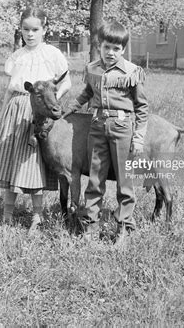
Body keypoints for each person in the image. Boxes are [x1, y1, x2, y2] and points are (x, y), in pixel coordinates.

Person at [64, 20, 148, 242]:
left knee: (124, 180)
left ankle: (124, 228)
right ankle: (90, 226)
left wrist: (138, 138)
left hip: (122, 128)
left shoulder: (132, 72)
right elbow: (88, 92)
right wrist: (74, 106)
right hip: (97, 126)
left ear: (123, 49)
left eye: (116, 49)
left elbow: (142, 107)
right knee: (95, 178)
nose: (111, 53)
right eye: (106, 47)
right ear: (99, 45)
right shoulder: (92, 68)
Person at [0, 8, 71, 231]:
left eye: (35, 29)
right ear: (21, 30)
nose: (30, 34)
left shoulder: (52, 54)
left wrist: (49, 102)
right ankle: (6, 216)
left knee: (35, 164)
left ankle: (37, 216)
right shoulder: (17, 57)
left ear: (44, 29)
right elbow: (9, 91)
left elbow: (66, 84)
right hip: (16, 110)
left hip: (39, 112)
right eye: (26, 29)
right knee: (10, 161)